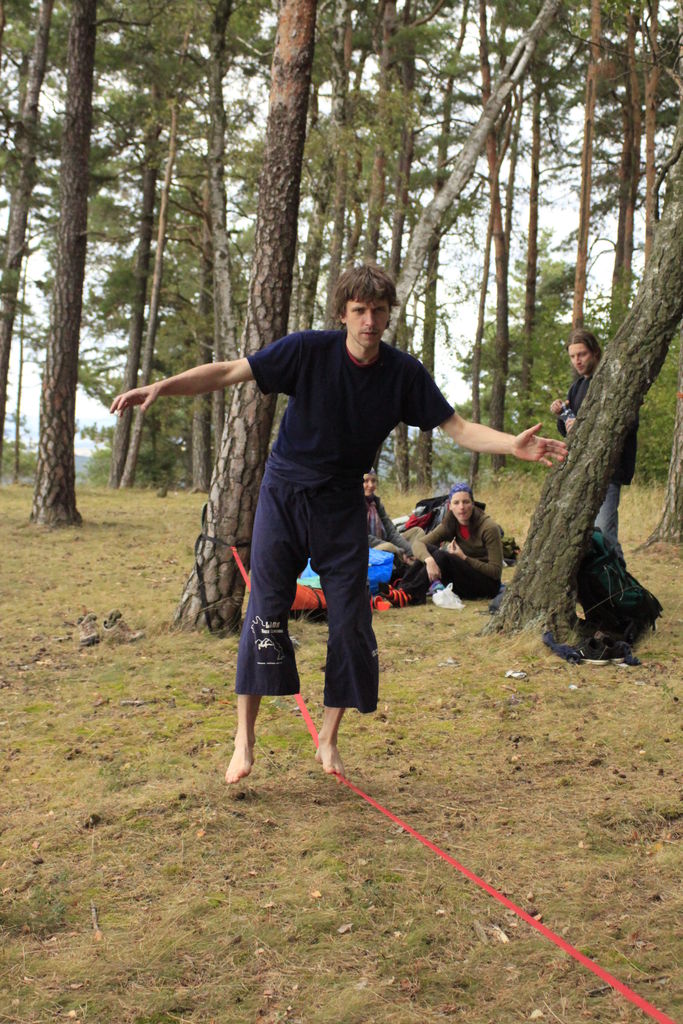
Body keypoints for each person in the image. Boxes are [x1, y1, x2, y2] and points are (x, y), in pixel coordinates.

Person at [111, 264, 566, 785]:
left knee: (351, 619)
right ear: (343, 313)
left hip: (342, 504)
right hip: (284, 494)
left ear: (389, 313)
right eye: (359, 311)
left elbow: (458, 428)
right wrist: (161, 388)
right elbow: (228, 372)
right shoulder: (307, 350)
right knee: (264, 610)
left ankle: (328, 738)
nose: (369, 321)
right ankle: (244, 738)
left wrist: (512, 444)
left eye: (378, 311)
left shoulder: (402, 374)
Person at [550, 327, 637, 562]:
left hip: (609, 468)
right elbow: (570, 431)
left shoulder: (612, 381)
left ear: (595, 353)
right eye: (572, 356)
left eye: (582, 354)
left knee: (604, 532)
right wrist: (561, 415)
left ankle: (620, 588)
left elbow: (625, 423)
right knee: (589, 533)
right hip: (583, 470)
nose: (577, 361)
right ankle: (614, 584)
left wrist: (584, 425)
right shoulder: (577, 387)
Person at [380, 482, 502, 604]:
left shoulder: (489, 528)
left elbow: (495, 572)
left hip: (487, 586)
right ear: (450, 506)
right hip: (465, 578)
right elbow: (419, 544)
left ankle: (409, 594)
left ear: (473, 504)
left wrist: (463, 557)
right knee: (430, 550)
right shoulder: (452, 521)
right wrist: (429, 560)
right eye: (456, 503)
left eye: (466, 502)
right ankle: (402, 589)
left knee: (442, 556)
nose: (461, 507)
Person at [363, 469, 413, 562]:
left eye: (373, 481)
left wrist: (411, 552)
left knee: (417, 532)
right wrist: (398, 551)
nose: (370, 485)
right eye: (366, 481)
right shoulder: (354, 506)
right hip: (365, 549)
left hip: (383, 544)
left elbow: (391, 532)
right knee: (390, 547)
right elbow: (364, 537)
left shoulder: (376, 504)